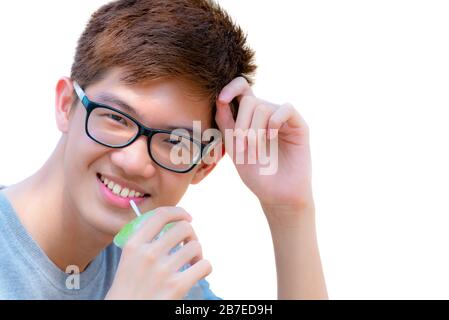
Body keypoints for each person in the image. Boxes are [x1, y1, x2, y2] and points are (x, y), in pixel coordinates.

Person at [0, 0, 327, 299]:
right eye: (116, 118)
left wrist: (290, 210)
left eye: (175, 141)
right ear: (66, 104)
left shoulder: (157, 268)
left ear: (204, 165)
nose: (134, 162)